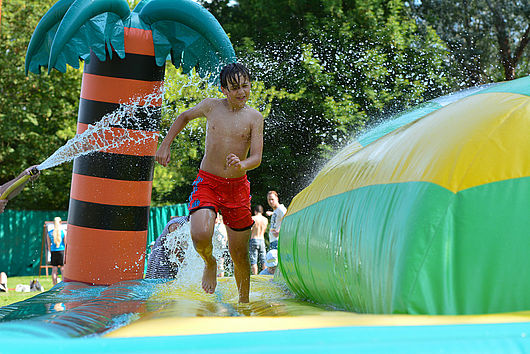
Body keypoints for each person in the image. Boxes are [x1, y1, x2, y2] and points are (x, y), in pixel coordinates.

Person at [156, 62, 264, 303]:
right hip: (208, 182)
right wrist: (165, 144)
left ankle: (244, 302)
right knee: (200, 233)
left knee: (239, 254)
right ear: (223, 89)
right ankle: (210, 262)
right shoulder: (211, 107)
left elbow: (256, 157)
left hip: (237, 189)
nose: (241, 92)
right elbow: (184, 117)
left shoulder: (254, 118)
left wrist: (242, 164)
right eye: (234, 88)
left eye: (245, 86)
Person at [47, 216, 66, 285]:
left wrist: (51, 251)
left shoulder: (49, 233)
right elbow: (65, 243)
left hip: (53, 252)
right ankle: (64, 285)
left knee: (54, 270)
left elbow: (49, 245)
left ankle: (54, 285)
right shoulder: (63, 232)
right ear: (60, 222)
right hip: (61, 251)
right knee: (63, 269)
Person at [249, 205, 268, 275]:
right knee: (263, 260)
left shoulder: (253, 218)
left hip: (254, 239)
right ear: (262, 211)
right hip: (262, 239)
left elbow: (250, 229)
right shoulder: (265, 220)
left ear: (255, 211)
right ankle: (265, 275)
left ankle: (255, 275)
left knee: (253, 260)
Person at [215, 213, 229, 277]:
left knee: (219, 265)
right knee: (220, 264)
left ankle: (220, 277)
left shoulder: (218, 227)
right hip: (221, 247)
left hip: (219, 248)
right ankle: (220, 277)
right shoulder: (222, 226)